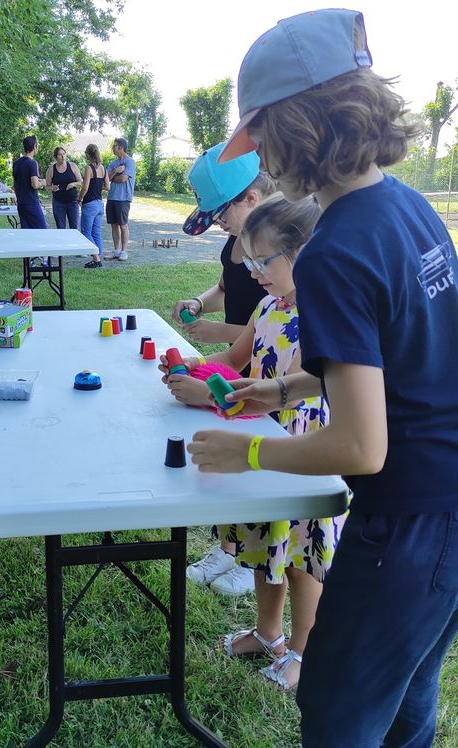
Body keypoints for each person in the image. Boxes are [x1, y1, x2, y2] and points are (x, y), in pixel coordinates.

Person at [189, 9, 458, 746]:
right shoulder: (404, 207)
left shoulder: (334, 251)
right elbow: (397, 352)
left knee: (339, 713)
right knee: (405, 699)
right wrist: (284, 391)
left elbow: (361, 447)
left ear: (298, 122)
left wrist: (244, 449)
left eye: (263, 136)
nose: (263, 160)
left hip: (417, 518)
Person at [164, 194, 340, 691]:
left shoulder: (323, 315)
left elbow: (281, 397)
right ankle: (268, 635)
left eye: (264, 261)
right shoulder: (267, 306)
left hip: (301, 449)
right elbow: (234, 365)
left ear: (304, 253)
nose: (254, 271)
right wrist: (190, 370)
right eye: (250, 260)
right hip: (260, 445)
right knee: (267, 547)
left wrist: (207, 394)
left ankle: (304, 652)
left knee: (302, 558)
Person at [172, 141, 276, 596]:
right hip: (238, 365)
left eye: (220, 214)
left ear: (250, 199)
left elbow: (268, 321)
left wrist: (220, 333)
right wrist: (199, 304)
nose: (218, 224)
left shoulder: (280, 252)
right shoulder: (237, 245)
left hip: (269, 369)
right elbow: (222, 289)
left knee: (258, 464)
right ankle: (228, 546)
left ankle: (252, 554)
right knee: (231, 457)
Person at [12, 135, 48, 265]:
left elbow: (15, 183)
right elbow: (34, 184)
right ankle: (44, 260)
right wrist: (43, 182)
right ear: (34, 147)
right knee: (42, 230)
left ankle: (29, 260)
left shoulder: (17, 163)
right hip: (31, 202)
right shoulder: (32, 163)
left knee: (26, 232)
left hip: (21, 202)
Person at [79, 143, 109, 268]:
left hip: (89, 203)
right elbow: (108, 187)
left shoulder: (89, 168)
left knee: (86, 232)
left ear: (87, 154)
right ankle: (99, 255)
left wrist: (79, 199)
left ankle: (96, 259)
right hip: (99, 204)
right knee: (96, 231)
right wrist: (97, 186)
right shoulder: (103, 168)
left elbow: (85, 187)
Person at [105, 137, 136, 261]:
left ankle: (124, 251)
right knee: (114, 225)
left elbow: (123, 179)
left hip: (123, 199)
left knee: (123, 225)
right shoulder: (113, 164)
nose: (113, 148)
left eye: (115, 146)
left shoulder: (130, 162)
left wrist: (113, 178)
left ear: (121, 147)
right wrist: (115, 172)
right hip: (112, 197)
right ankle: (116, 250)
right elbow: (106, 179)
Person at [45, 146, 82, 230]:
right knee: (61, 228)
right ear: (55, 157)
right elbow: (47, 187)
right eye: (60, 154)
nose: (62, 156)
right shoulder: (51, 169)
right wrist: (52, 188)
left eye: (64, 154)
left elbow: (81, 182)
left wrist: (73, 184)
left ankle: (73, 243)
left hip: (72, 201)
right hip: (58, 202)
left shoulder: (72, 166)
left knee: (74, 227)